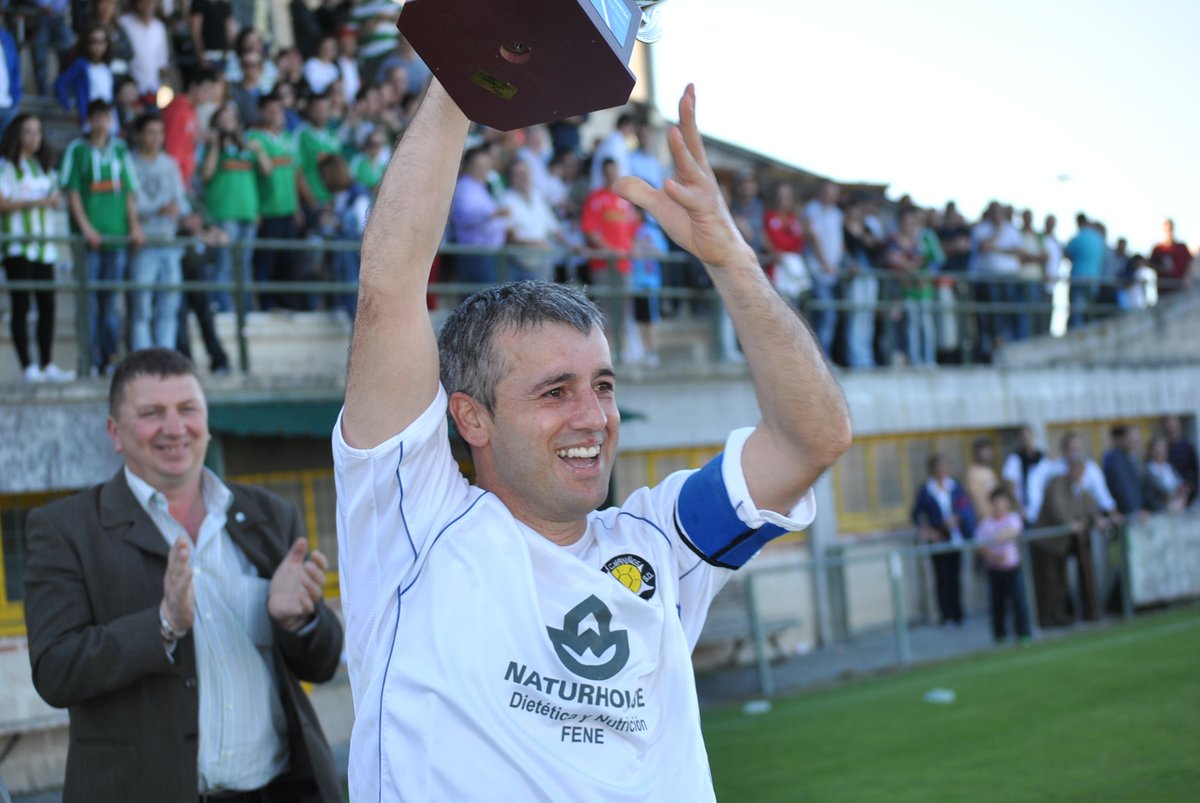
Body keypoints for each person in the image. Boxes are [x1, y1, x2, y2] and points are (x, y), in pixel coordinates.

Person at [333, 81, 851, 801]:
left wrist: (730, 259)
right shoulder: (413, 522)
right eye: (554, 391)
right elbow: (389, 287)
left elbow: (811, 440)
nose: (593, 415)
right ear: (471, 418)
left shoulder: (659, 545)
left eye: (602, 385)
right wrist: (461, 76)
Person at [24, 349, 342, 801]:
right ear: (115, 432)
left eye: (187, 409)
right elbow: (56, 671)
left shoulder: (269, 515)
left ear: (207, 421)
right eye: (152, 413)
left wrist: (300, 621)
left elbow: (323, 662)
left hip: (281, 790)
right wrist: (163, 625)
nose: (174, 428)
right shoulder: (66, 529)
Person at [61, 99, 144, 374]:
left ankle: (110, 357)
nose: (101, 123)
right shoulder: (77, 150)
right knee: (89, 301)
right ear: (89, 119)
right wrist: (86, 228)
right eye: (96, 117)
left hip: (117, 237)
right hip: (89, 239)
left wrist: (134, 226)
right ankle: (89, 358)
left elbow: (130, 192)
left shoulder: (120, 150)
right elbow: (72, 193)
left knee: (110, 302)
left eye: (106, 117)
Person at [0, 114, 73, 383]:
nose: (34, 137)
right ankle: (27, 366)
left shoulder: (45, 168)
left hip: (46, 247)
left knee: (48, 306)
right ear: (16, 134)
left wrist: (49, 201)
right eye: (28, 131)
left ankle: (47, 363)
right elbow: (3, 203)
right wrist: (35, 202)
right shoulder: (5, 167)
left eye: (38, 131)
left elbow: (54, 199)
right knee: (21, 305)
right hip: (17, 245)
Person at [200, 100, 268, 312]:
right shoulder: (213, 147)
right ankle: (224, 310)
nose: (227, 124)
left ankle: (245, 312)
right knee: (224, 264)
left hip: (248, 213)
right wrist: (213, 146)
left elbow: (266, 172)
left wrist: (260, 151)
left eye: (230, 119)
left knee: (244, 266)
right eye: (222, 121)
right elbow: (206, 175)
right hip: (224, 214)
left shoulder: (249, 144)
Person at [129, 113, 188, 351]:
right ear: (139, 135)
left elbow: (181, 201)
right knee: (141, 306)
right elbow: (133, 203)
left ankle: (167, 357)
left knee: (169, 305)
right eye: (151, 132)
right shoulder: (129, 162)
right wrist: (158, 209)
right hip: (144, 243)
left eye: (160, 133)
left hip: (169, 242)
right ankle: (141, 358)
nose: (156, 138)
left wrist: (182, 212)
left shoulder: (170, 163)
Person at [1033, 455, 1108, 626]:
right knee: (1047, 581)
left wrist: (1096, 518)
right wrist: (1070, 523)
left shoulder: (1079, 489)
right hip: (1046, 542)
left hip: (1061, 544)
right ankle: (1045, 617)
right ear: (1069, 470)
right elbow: (1056, 507)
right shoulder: (1057, 483)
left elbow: (1090, 505)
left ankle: (1059, 614)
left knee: (1060, 580)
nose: (1079, 475)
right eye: (1077, 471)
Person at [248, 92, 306, 310]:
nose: (276, 115)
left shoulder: (289, 139)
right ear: (262, 113)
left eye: (279, 110)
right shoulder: (254, 139)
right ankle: (267, 303)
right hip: (267, 210)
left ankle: (287, 303)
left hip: (288, 209)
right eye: (270, 110)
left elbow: (294, 174)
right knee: (267, 260)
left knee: (287, 259)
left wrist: (298, 207)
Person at [911, 453, 976, 627]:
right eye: (938, 466)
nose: (942, 470)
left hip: (955, 537)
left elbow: (965, 507)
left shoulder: (955, 487)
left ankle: (958, 613)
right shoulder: (926, 490)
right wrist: (929, 532)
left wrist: (958, 519)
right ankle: (945, 615)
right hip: (938, 539)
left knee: (955, 577)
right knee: (941, 578)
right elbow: (916, 516)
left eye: (945, 466)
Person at [974, 488, 1032, 643]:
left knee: (1019, 601)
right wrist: (994, 555)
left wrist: (994, 539)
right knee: (997, 603)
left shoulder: (1013, 518)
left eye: (1002, 502)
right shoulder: (985, 523)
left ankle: (1023, 633)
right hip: (994, 569)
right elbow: (979, 546)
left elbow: (1013, 531)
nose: (999, 506)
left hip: (1012, 567)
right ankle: (1000, 635)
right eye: (996, 502)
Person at [1025, 431, 1117, 524]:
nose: (1076, 453)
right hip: (1060, 522)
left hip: (1080, 521)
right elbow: (1056, 504)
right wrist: (1069, 522)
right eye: (1072, 449)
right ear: (1064, 449)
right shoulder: (1055, 470)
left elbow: (1098, 494)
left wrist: (1109, 513)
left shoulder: (1090, 467)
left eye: (1078, 449)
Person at [803, 180, 844, 357]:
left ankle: (823, 356)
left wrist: (836, 263)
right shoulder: (812, 209)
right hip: (818, 271)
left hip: (832, 272)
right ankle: (820, 358)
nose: (830, 195)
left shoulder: (837, 213)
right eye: (827, 191)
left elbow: (839, 240)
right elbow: (814, 237)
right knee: (825, 315)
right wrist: (825, 263)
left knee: (830, 315)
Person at [55, 25, 116, 129]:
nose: (98, 46)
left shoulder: (106, 67)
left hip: (107, 115)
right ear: (86, 44)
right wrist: (68, 106)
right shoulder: (81, 65)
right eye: (94, 42)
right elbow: (60, 83)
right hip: (90, 116)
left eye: (102, 42)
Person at [119, 0, 170, 98]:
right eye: (144, 1)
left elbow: (162, 62)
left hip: (154, 89)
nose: (148, 5)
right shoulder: (124, 23)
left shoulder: (159, 27)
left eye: (152, 2)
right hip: (129, 89)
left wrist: (164, 84)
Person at [1001, 425, 1045, 523]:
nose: (1027, 440)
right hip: (1024, 511)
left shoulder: (1043, 458)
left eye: (1028, 436)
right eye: (1023, 437)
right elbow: (1010, 485)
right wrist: (1019, 508)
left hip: (1041, 510)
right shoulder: (1014, 459)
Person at [1102, 425, 1143, 517]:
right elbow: (1122, 487)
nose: (1134, 444)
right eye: (1131, 440)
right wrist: (1134, 509)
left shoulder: (1130, 458)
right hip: (1127, 512)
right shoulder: (1115, 458)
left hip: (1135, 511)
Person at [1142, 435, 1188, 514]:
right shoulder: (1147, 471)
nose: (1161, 450)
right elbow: (1149, 497)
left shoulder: (1170, 467)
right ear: (1151, 451)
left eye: (1163, 447)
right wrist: (1168, 505)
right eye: (1158, 447)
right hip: (1161, 513)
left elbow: (1182, 486)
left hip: (1179, 509)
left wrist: (1182, 500)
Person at [1148, 218, 1193, 292]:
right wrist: (1162, 269)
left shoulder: (1182, 247)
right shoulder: (1158, 249)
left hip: (1181, 288)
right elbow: (1150, 265)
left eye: (1171, 228)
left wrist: (1188, 278)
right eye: (1167, 229)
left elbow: (1190, 263)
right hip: (1164, 289)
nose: (1169, 231)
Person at [1162, 415, 1198, 505]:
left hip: (1187, 490)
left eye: (1173, 426)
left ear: (1179, 426)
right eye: (1169, 426)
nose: (1171, 429)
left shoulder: (1187, 447)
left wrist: (1189, 486)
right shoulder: (1163, 447)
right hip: (1169, 492)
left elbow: (1194, 469)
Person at [965, 437, 999, 520]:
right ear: (976, 453)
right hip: (984, 518)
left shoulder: (990, 470)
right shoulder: (972, 472)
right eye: (984, 450)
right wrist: (985, 515)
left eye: (989, 450)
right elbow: (975, 499)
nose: (987, 453)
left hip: (996, 516)